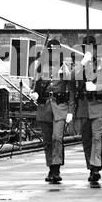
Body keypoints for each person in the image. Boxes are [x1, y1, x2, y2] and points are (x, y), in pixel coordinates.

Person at [30, 39, 75, 183]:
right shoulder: (40, 68)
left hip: (60, 107)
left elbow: (72, 91)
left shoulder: (65, 68)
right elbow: (35, 86)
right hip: (44, 108)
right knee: (48, 141)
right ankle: (51, 167)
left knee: (57, 138)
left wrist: (71, 111)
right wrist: (34, 94)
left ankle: (56, 168)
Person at [74, 35, 102, 183]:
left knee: (97, 138)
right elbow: (71, 79)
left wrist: (98, 88)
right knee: (86, 139)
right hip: (84, 106)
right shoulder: (79, 64)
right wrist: (81, 65)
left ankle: (95, 168)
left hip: (98, 104)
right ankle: (91, 165)